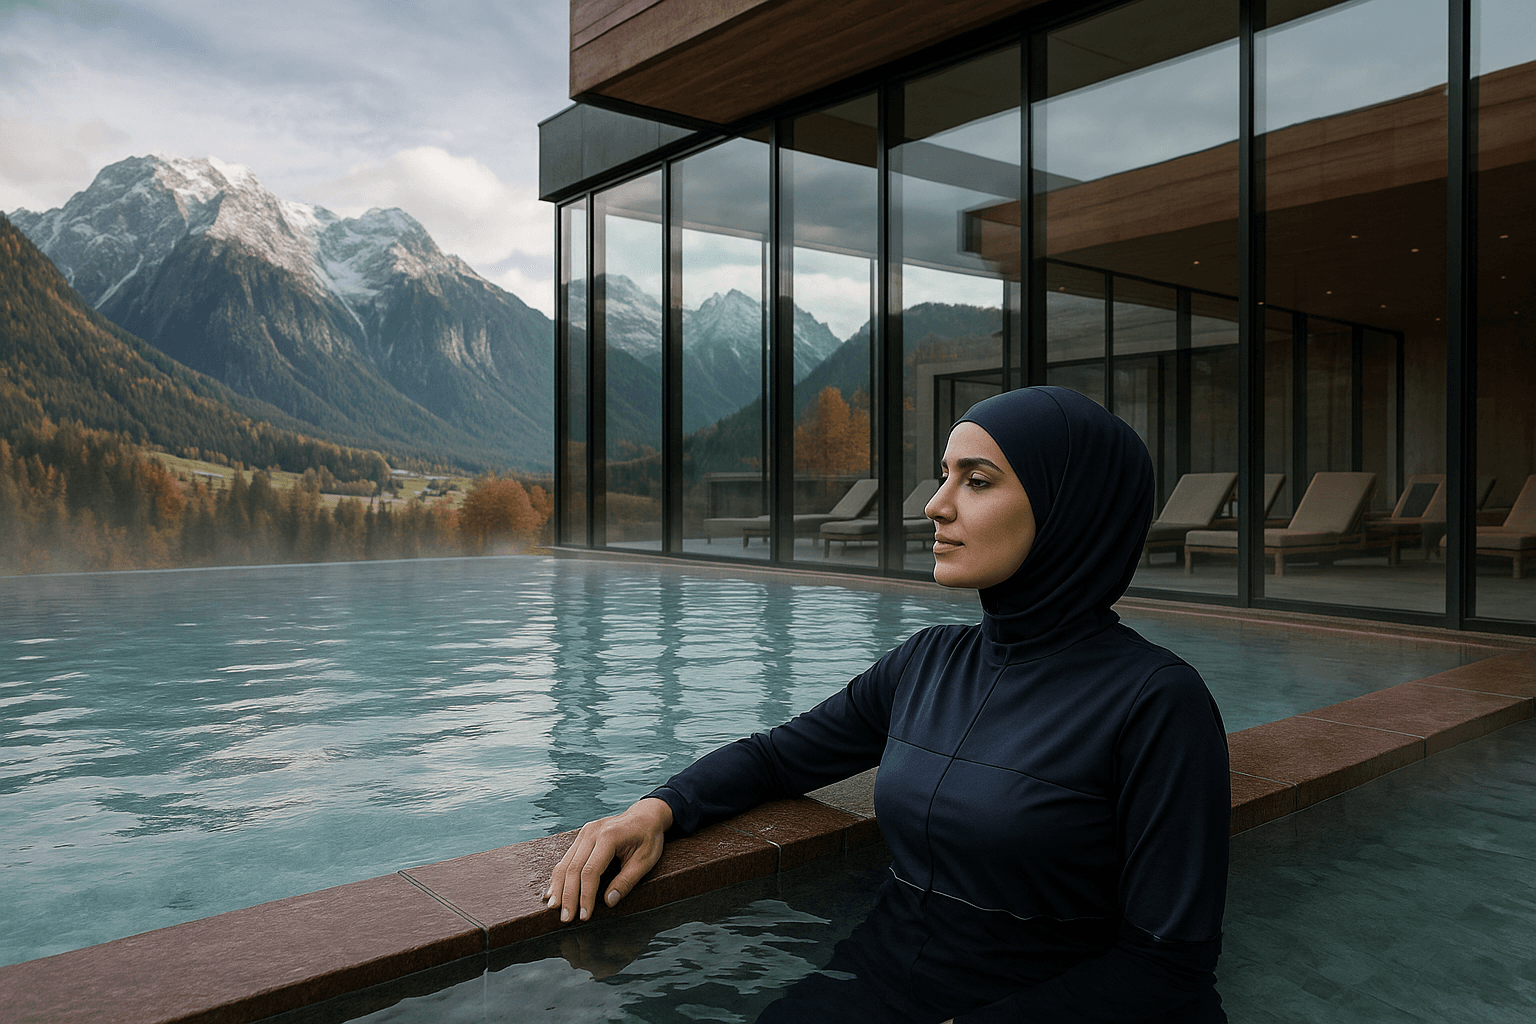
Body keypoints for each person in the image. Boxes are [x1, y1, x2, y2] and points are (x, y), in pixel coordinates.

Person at [544, 386, 1231, 1022]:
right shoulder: (929, 662)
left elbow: (1165, 968)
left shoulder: (1157, 702)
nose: (936, 505)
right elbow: (778, 757)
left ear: (1068, 507)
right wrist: (655, 811)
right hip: (872, 984)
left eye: (977, 481)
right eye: (944, 475)